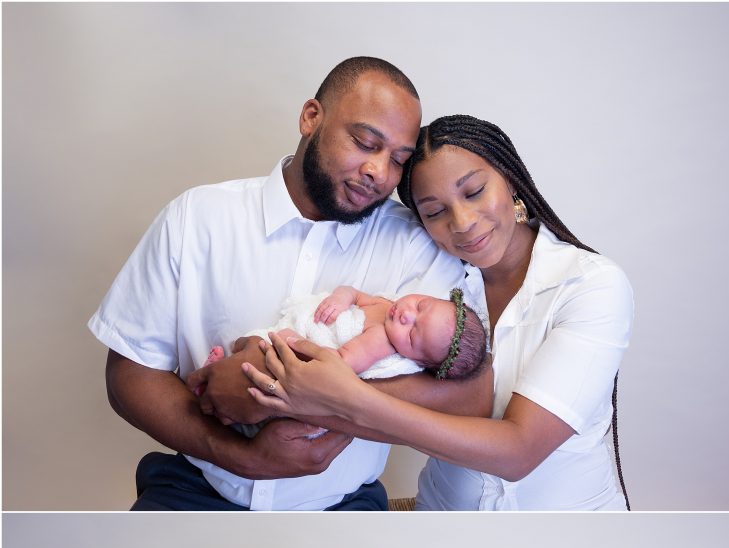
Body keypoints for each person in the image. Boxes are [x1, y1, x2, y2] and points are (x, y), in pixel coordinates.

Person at [89, 59, 492, 511]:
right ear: (311, 118)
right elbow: (128, 376)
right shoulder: (197, 218)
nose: (380, 171)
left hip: (344, 502)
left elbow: (468, 394)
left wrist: (288, 398)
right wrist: (241, 457)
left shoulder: (419, 245)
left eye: (399, 160)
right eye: (364, 143)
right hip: (197, 486)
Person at [240, 114, 633, 511]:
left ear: (510, 178)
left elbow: (518, 452)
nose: (462, 223)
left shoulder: (589, 285)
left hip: (572, 522)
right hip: (442, 516)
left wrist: (342, 398)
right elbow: (387, 371)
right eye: (434, 212)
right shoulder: (430, 280)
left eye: (474, 191)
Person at [200, 286, 486, 439]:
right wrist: (340, 298)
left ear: (417, 360)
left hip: (302, 347)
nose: (406, 316)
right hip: (303, 330)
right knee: (249, 342)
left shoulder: (379, 342)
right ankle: (225, 361)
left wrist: (293, 341)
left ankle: (220, 393)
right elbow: (354, 294)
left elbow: (336, 364)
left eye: (412, 333)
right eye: (421, 306)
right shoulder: (389, 304)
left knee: (260, 367)